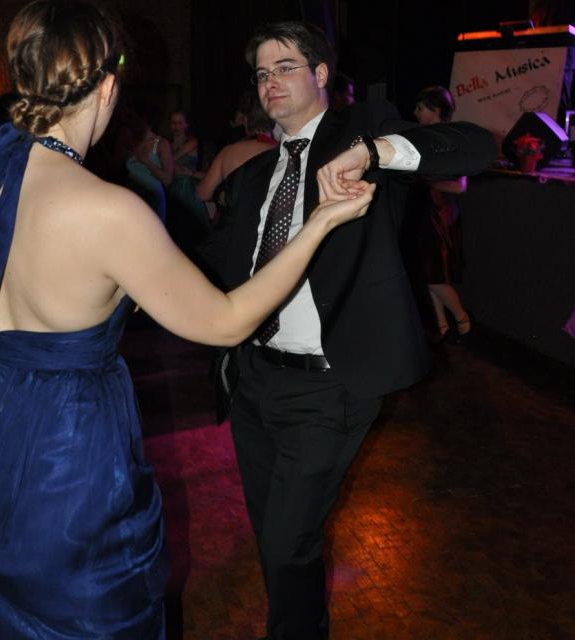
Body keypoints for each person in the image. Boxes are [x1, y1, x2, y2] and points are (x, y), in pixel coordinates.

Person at [0, 3, 375, 638]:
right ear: (107, 88)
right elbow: (227, 323)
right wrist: (319, 224)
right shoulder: (110, 210)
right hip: (64, 447)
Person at [199, 21, 497, 640]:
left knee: (288, 540)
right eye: (261, 72)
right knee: (275, 537)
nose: (270, 82)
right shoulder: (254, 175)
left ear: (320, 74)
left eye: (284, 67)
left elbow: (474, 146)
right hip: (253, 380)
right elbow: (216, 262)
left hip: (326, 386)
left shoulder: (362, 141)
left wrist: (375, 152)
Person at [412, 85, 471, 343]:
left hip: (440, 216)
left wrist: (423, 180)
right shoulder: (426, 137)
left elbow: (460, 186)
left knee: (433, 276)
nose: (415, 113)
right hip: (426, 213)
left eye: (420, 108)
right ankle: (443, 327)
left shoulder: (451, 139)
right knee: (428, 274)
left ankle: (463, 322)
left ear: (435, 109)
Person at [196, 91, 276, 218]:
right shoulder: (283, 152)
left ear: (246, 120)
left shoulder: (229, 152)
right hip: (268, 225)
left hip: (235, 225)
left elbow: (203, 193)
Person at [166, 109, 210, 254]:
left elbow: (170, 160)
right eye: (173, 123)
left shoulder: (191, 141)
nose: (176, 127)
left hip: (187, 191)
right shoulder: (165, 143)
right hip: (170, 188)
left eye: (180, 123)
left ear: (186, 125)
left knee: (189, 236)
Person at [126, 98, 173, 223]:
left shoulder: (161, 143)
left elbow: (168, 180)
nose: (132, 122)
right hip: (132, 198)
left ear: (145, 119)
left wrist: (146, 161)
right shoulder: (130, 141)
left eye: (134, 118)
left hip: (152, 198)